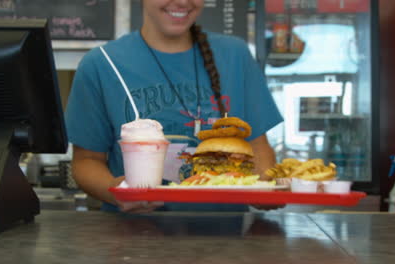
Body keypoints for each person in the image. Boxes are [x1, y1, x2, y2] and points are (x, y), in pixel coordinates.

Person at [65, 0, 283, 213]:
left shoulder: (235, 54)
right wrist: (116, 192)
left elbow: (256, 146)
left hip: (225, 235)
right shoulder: (101, 63)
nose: (182, 2)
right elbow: (86, 161)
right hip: (131, 237)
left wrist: (265, 189)